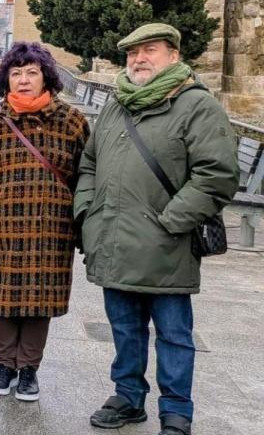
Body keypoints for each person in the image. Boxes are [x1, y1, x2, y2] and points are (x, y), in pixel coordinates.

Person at [75, 24, 238, 435]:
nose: (138, 59)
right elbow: (89, 164)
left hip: (167, 243)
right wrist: (86, 212)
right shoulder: (117, 105)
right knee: (125, 328)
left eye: (149, 50)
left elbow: (216, 175)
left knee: (174, 334)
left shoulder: (196, 105)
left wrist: (170, 221)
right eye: (132, 53)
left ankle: (176, 411)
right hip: (114, 238)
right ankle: (128, 397)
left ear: (174, 56)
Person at [0, 41, 89, 402]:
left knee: (39, 301)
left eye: (32, 73)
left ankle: (28, 368)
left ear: (46, 77)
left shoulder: (72, 122)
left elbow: (87, 178)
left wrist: (86, 226)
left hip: (52, 230)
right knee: (4, 298)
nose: (24, 80)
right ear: (6, 80)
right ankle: (4, 365)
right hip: (2, 228)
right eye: (16, 73)